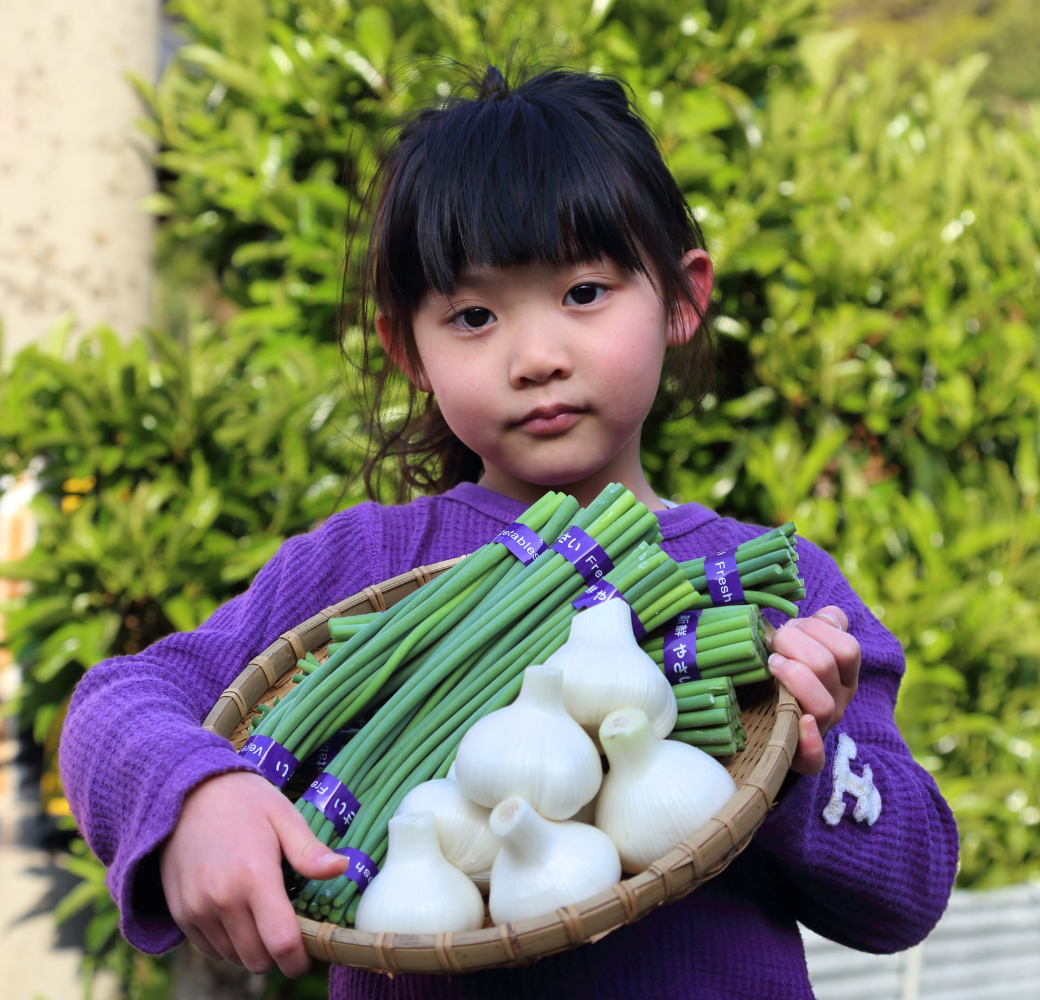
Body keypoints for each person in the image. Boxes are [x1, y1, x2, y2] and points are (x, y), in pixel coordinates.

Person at [59, 66, 958, 1000]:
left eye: (583, 292)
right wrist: (198, 792)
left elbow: (912, 886)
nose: (536, 358)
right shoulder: (365, 562)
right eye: (475, 316)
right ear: (410, 350)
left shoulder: (779, 595)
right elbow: (120, 700)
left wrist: (798, 760)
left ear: (683, 298)